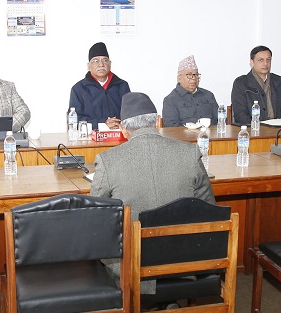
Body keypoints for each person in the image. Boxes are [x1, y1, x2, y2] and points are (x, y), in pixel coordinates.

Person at [90, 92, 214, 221]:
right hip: (184, 239)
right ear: (158, 122)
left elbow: (94, 214)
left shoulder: (107, 160)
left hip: (133, 240)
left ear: (123, 129)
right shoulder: (190, 152)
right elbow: (209, 208)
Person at [69, 42, 131, 129]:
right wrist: (102, 123)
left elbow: (130, 114)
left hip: (119, 136)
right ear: (89, 66)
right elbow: (75, 118)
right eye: (96, 61)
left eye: (105, 60)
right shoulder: (79, 89)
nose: (101, 64)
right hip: (90, 138)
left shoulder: (122, 85)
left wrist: (117, 123)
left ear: (110, 64)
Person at [230, 45, 281, 125]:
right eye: (261, 60)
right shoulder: (241, 83)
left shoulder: (279, 81)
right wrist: (259, 127)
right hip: (253, 129)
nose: (265, 63)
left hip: (278, 129)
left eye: (268, 60)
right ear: (252, 62)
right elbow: (240, 115)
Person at [161, 55, 220, 127]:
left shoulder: (208, 95)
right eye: (189, 75)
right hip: (184, 137)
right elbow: (172, 128)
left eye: (196, 75)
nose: (194, 78)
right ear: (179, 78)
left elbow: (220, 120)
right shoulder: (170, 100)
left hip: (212, 136)